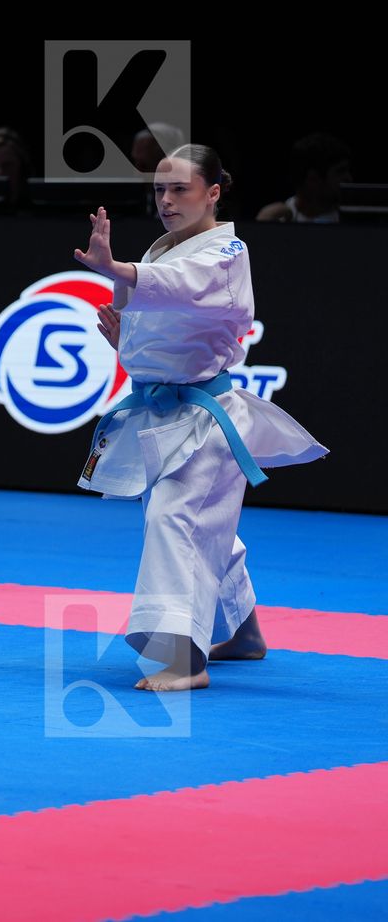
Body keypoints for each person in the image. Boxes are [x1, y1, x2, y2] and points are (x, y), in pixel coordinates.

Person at [72, 144, 328, 691]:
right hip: (165, 412)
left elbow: (186, 289)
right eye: (159, 190)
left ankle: (183, 661)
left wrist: (115, 268)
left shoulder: (226, 253)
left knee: (174, 520)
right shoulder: (169, 248)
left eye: (179, 189)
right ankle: (243, 633)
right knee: (213, 529)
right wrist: (128, 343)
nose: (165, 200)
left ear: (213, 192)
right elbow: (164, 322)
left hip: (205, 422)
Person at [256, 132, 352, 224]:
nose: (348, 178)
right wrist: (261, 228)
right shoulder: (277, 218)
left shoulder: (350, 222)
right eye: (340, 171)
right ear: (313, 179)